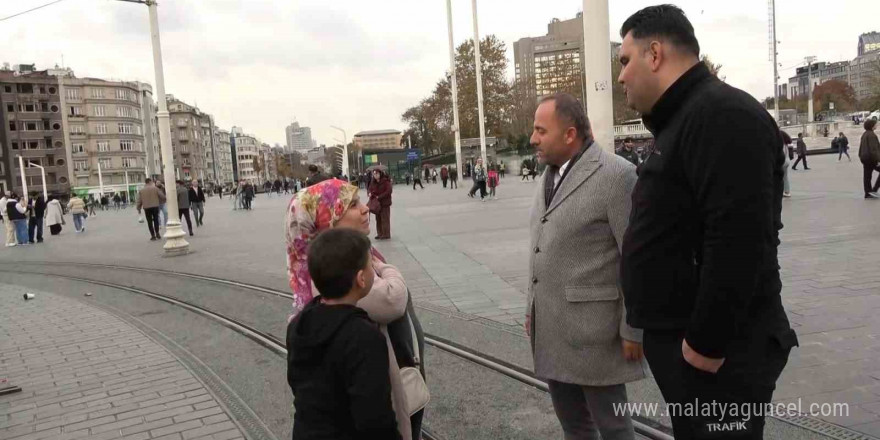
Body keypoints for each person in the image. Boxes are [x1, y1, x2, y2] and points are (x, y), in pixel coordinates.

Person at [617, 6, 797, 439]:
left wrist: (705, 346)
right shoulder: (684, 118)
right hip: (690, 349)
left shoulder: (721, 114)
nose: (621, 76)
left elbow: (738, 238)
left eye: (625, 61)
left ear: (655, 53)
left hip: (718, 359)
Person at [525, 93, 643, 440]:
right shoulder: (546, 176)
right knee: (573, 427)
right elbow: (540, 244)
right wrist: (532, 308)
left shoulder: (617, 175)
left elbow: (635, 259)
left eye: (540, 130)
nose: (533, 138)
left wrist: (633, 328)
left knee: (614, 427)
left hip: (597, 334)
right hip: (553, 329)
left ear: (570, 134)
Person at [285, 179, 426, 440]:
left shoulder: (303, 320)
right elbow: (393, 298)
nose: (364, 209)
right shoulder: (341, 282)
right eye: (351, 205)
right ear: (328, 222)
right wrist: (384, 269)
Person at [287, 228, 402, 440]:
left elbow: (296, 383)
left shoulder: (298, 325)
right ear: (361, 279)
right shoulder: (364, 337)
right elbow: (375, 421)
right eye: (370, 265)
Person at [859, 118, 880, 199]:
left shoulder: (864, 134)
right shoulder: (872, 135)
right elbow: (873, 149)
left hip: (865, 158)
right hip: (871, 158)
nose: (877, 125)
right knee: (867, 176)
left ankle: (867, 193)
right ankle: (874, 190)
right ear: (872, 126)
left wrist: (860, 156)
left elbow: (861, 148)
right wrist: (878, 160)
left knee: (867, 176)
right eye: (875, 124)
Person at [369, 170, 393, 240]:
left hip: (385, 203)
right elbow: (370, 189)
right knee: (378, 219)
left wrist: (379, 196)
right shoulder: (373, 182)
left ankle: (386, 234)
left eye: (377, 174)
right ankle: (380, 233)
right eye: (374, 174)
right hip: (377, 204)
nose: (375, 175)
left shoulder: (386, 181)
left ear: (380, 174)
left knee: (385, 218)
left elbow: (389, 191)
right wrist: (370, 193)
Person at [781, 131, 792, 198]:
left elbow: (782, 154)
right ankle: (787, 191)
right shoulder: (786, 144)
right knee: (785, 177)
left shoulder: (782, 145)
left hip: (783, 162)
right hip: (787, 161)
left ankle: (784, 191)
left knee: (781, 177)